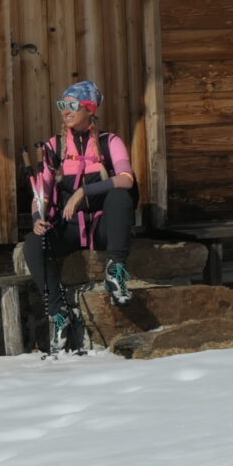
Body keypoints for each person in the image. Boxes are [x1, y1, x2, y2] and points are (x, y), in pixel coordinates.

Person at [24, 80, 136, 355]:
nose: (65, 111)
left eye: (72, 105)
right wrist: (38, 216)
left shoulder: (111, 142)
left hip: (103, 227)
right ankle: (59, 312)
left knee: (120, 197)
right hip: (70, 227)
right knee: (33, 243)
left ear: (89, 108)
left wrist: (84, 191)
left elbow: (126, 180)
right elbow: (43, 192)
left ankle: (116, 269)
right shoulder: (53, 147)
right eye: (62, 105)